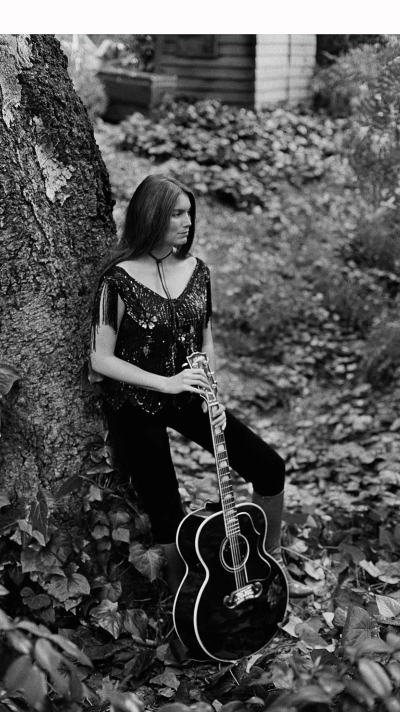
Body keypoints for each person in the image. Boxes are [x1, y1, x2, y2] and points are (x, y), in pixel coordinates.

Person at [90, 174, 312, 599]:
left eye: (189, 212)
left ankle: (268, 565)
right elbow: (99, 359)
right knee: (166, 508)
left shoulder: (197, 271)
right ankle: (188, 606)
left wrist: (210, 383)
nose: (187, 222)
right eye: (176, 213)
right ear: (152, 216)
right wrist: (166, 382)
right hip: (136, 403)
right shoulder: (116, 279)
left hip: (189, 393)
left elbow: (204, 337)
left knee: (269, 467)